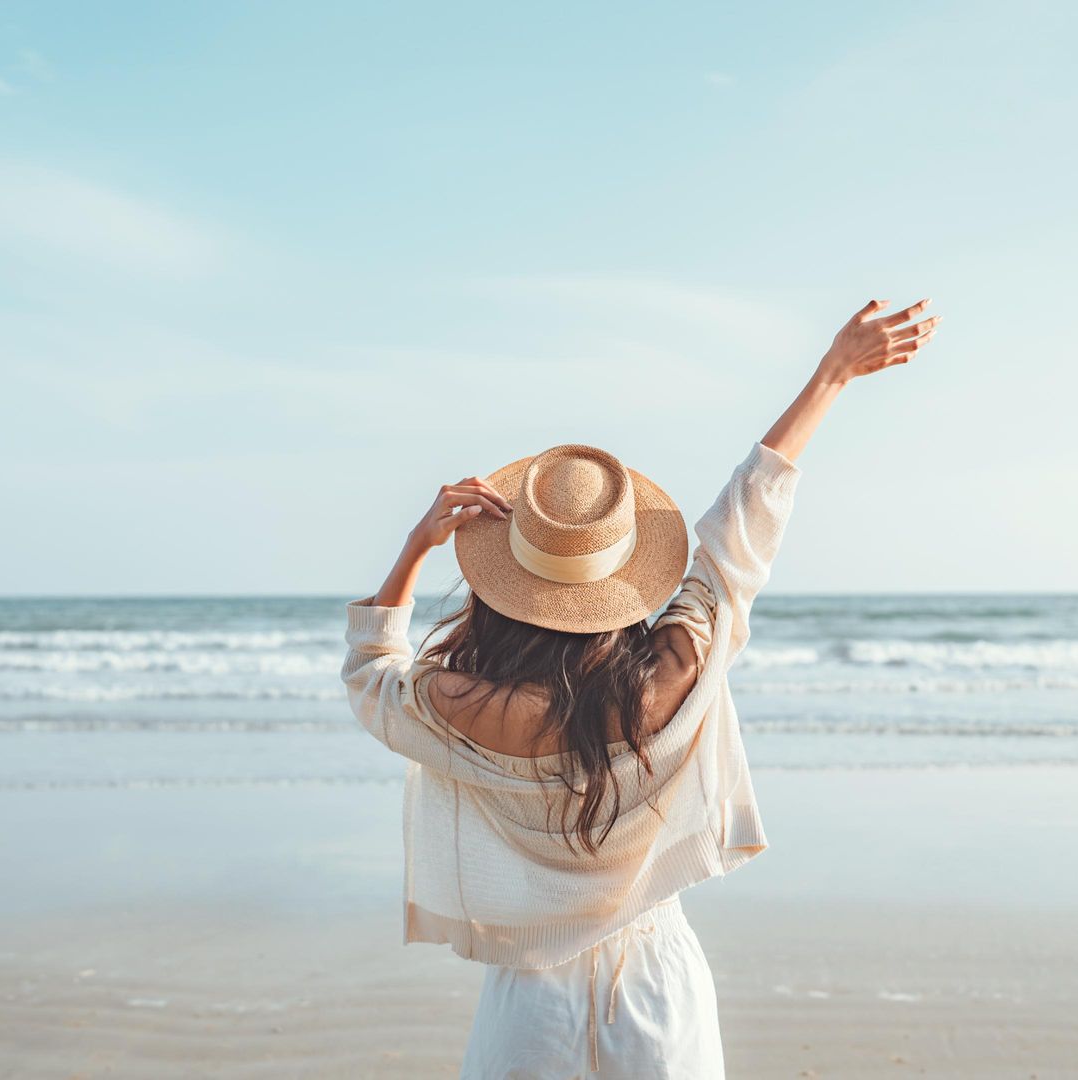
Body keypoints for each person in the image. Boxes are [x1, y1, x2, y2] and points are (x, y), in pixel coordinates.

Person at [342, 297, 940, 1078]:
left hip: (528, 1007)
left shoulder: (458, 708)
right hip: (658, 991)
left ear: (501, 584)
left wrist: (418, 546)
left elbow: (369, 675)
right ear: (621, 581)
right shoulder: (669, 680)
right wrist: (833, 373)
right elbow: (741, 532)